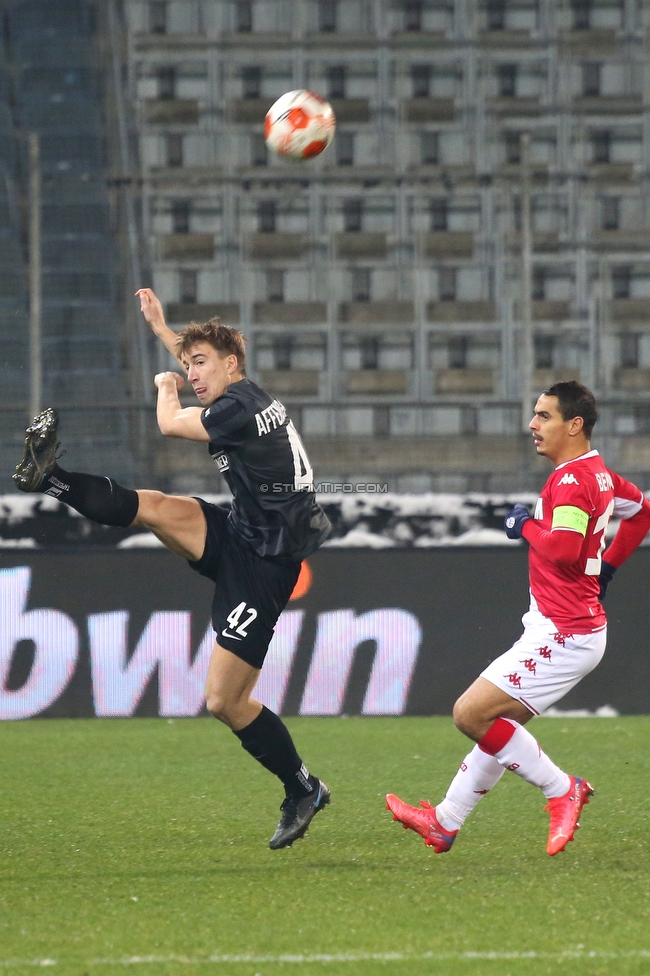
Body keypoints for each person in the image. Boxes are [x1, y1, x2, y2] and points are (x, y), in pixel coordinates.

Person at [13, 288, 332, 850]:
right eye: (186, 366)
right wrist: (165, 331)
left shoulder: (236, 409)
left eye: (199, 364)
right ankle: (50, 478)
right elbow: (201, 366)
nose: (190, 373)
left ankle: (302, 787)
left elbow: (169, 423)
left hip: (264, 567)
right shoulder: (246, 394)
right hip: (243, 534)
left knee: (224, 702)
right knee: (156, 505)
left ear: (232, 364)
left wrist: (165, 386)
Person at [386, 380, 650, 856]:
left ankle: (561, 788)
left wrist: (523, 526)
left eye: (544, 416)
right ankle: (444, 822)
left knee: (471, 714)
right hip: (568, 626)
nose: (532, 424)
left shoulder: (571, 481)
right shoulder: (601, 475)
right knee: (498, 727)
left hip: (564, 633)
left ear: (575, 424)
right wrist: (607, 568)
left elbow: (566, 551)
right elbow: (642, 513)